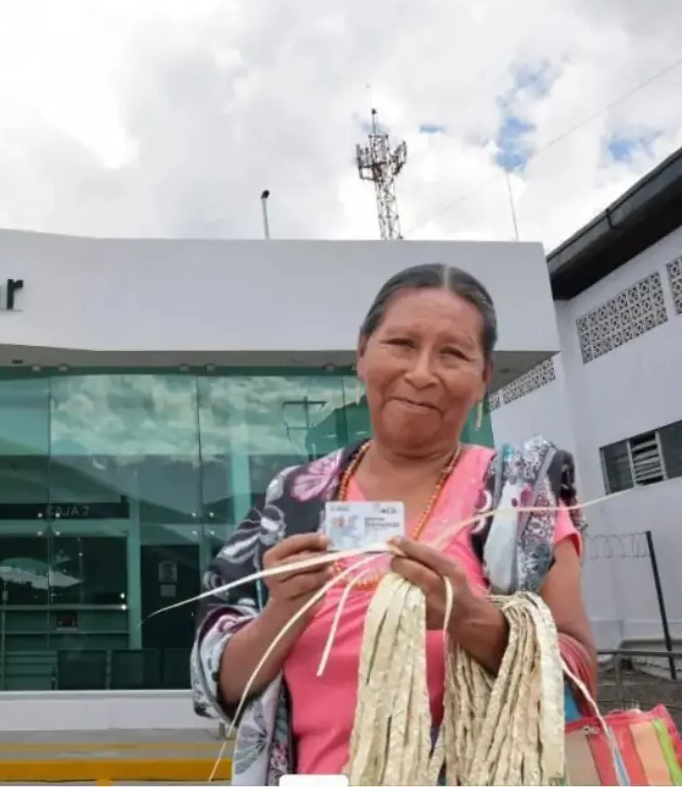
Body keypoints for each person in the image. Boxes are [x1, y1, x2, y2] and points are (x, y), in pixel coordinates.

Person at [190, 263, 597, 784]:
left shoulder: (519, 498)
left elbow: (580, 680)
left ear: (483, 377)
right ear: (363, 353)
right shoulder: (292, 499)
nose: (422, 372)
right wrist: (283, 611)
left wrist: (471, 618)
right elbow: (221, 689)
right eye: (401, 343)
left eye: (452, 353)